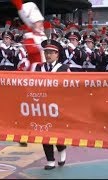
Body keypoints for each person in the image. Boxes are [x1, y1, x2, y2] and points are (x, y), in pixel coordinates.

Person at [34, 39, 70, 170]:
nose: (48, 55)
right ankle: (50, 160)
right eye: (46, 52)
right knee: (44, 131)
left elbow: (69, 88)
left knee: (57, 131)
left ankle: (61, 148)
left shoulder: (64, 68)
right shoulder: (39, 67)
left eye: (51, 52)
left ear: (57, 54)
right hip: (42, 105)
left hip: (58, 105)